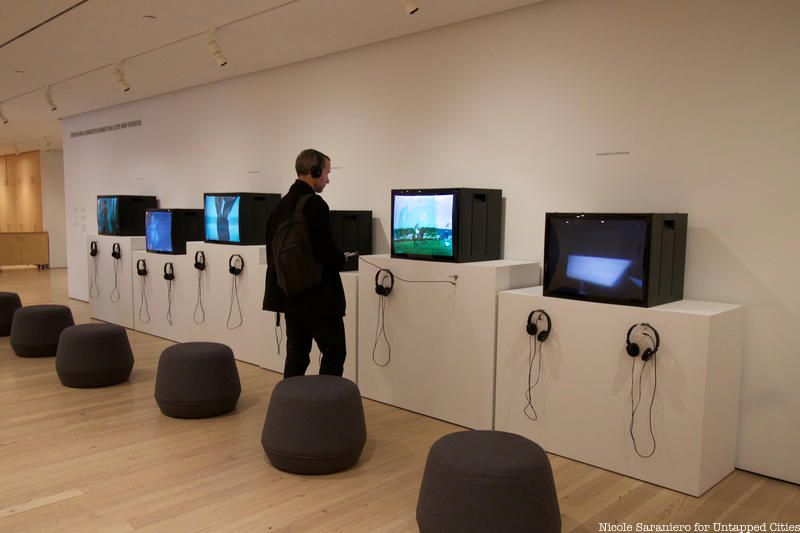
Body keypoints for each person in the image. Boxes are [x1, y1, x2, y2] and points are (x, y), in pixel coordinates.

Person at [263, 149, 346, 378]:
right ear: (315, 171)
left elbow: (272, 255)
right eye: (327, 173)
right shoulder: (314, 205)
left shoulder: (280, 206)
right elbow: (325, 251)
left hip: (290, 295)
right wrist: (342, 259)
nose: (328, 179)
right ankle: (326, 400)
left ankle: (290, 400)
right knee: (334, 352)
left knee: (297, 356)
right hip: (318, 295)